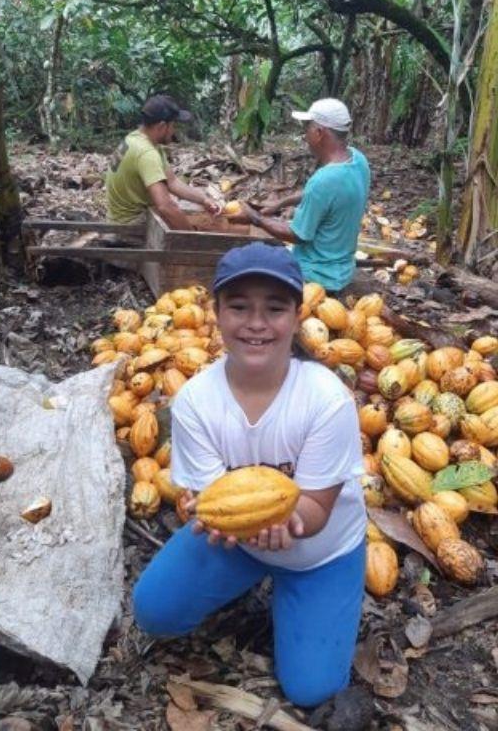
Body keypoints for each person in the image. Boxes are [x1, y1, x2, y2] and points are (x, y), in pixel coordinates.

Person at [132, 242, 367, 709]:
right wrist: (221, 522)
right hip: (237, 542)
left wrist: (282, 523)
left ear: (297, 316)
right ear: (215, 312)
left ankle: (302, 597)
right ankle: (249, 581)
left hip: (319, 552)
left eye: (274, 309)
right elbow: (212, 499)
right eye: (239, 307)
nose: (256, 323)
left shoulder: (326, 399)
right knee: (153, 612)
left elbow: (316, 509)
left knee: (312, 690)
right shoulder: (197, 400)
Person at [231, 98, 370, 293]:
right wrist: (281, 203)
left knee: (242, 267)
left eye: (307, 129)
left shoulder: (324, 180)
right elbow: (326, 196)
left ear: (319, 133)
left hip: (316, 275)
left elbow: (298, 236)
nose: (305, 136)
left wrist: (255, 218)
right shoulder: (357, 159)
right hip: (343, 269)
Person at [105, 94, 224, 229]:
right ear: (162, 126)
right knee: (187, 218)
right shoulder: (147, 154)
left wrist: (204, 199)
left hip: (123, 218)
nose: (174, 131)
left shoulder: (136, 139)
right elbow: (165, 207)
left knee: (188, 212)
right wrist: (191, 237)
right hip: (129, 225)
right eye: (173, 126)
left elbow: (172, 182)